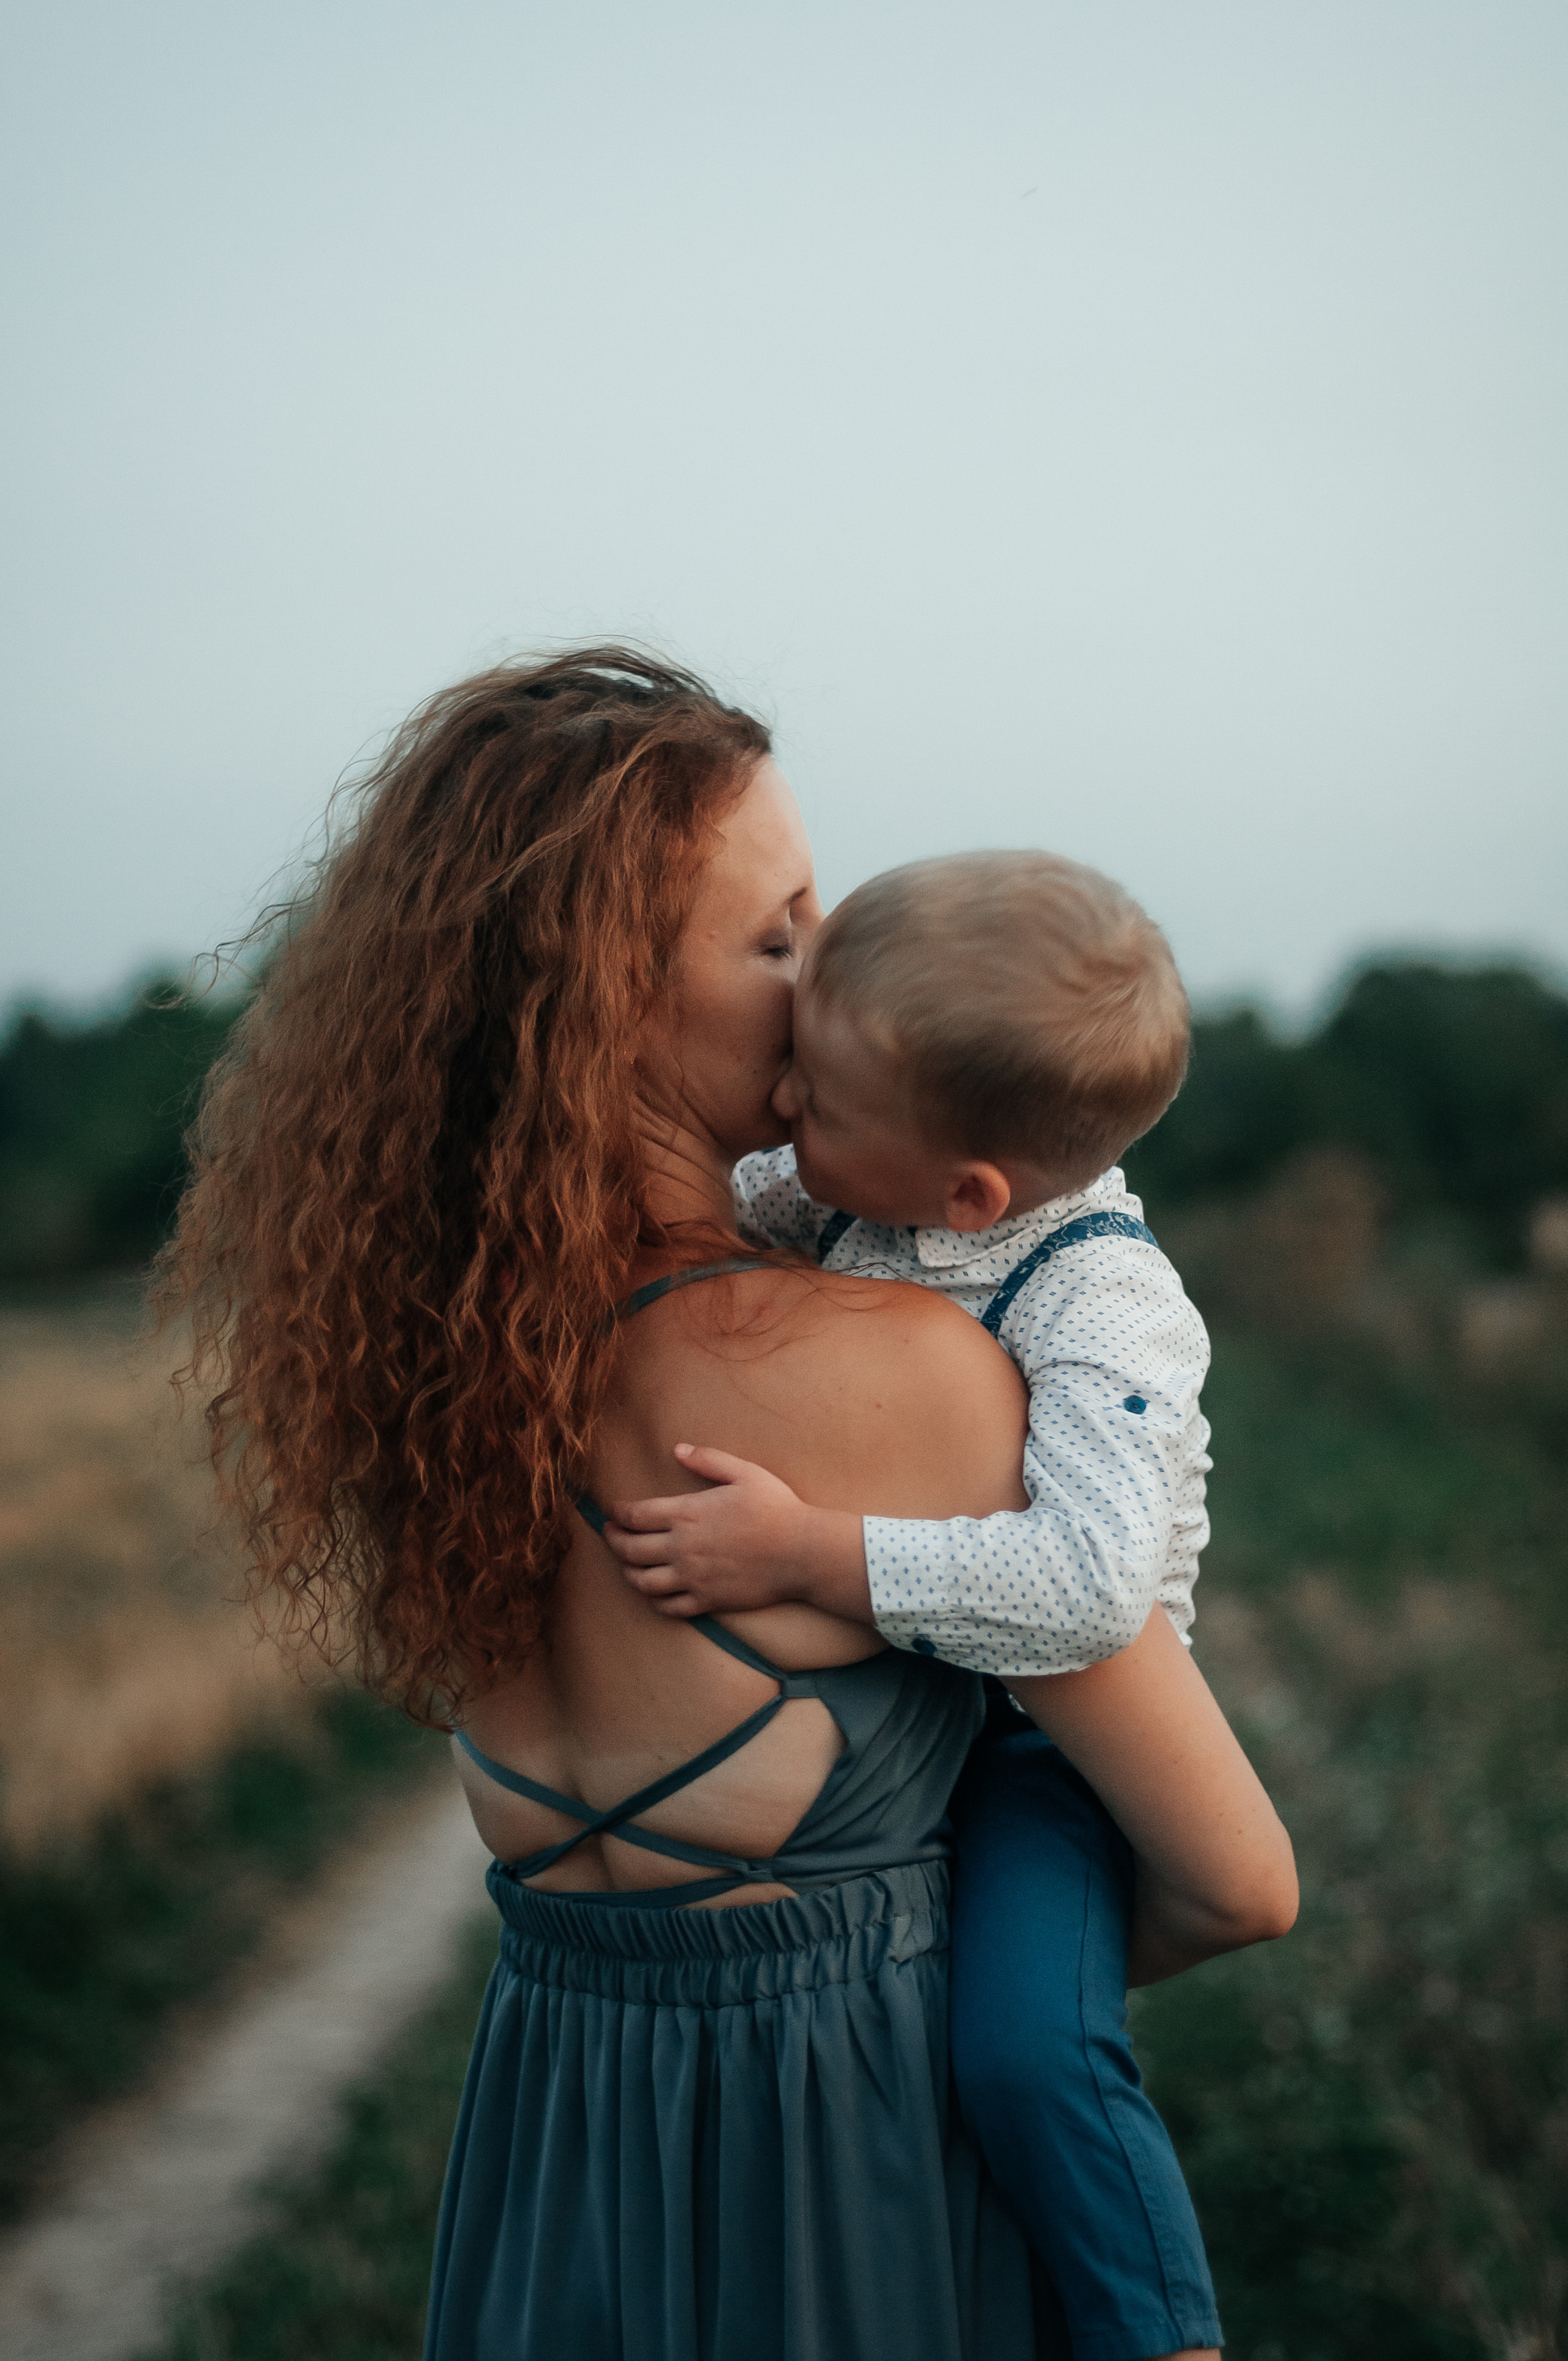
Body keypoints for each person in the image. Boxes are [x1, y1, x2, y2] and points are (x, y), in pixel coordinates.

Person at [160, 651, 1297, 2361]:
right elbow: (1237, 1878)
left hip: (554, 2158)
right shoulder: (910, 1372)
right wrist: (997, 1988)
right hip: (857, 2172)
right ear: (608, 996)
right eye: (779, 935)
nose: (830, 969)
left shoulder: (449, 1372)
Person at [602, 851, 1243, 2357]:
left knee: (1025, 2049)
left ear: (966, 1190)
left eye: (814, 1101)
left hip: (1040, 1746)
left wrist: (815, 1554)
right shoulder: (857, 1185)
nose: (779, 1116)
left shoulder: (1097, 1297)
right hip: (904, 1730)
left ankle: (1159, 2327)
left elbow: (1090, 1588)